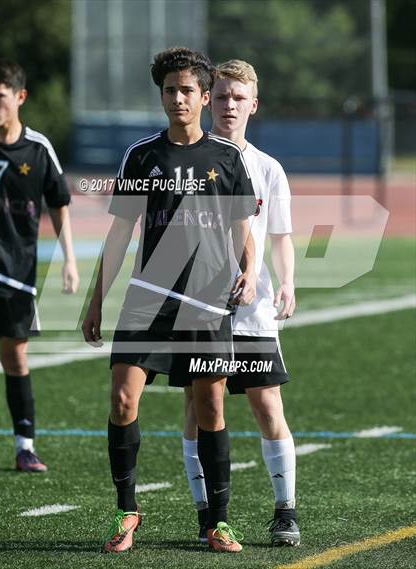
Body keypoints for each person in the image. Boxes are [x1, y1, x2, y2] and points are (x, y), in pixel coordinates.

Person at [82, 47, 257, 554]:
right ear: (160, 96)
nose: (177, 98)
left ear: (205, 97)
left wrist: (249, 269)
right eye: (169, 90)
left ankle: (217, 523)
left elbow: (243, 227)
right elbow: (118, 236)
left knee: (210, 404)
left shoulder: (227, 159)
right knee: (121, 400)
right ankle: (126, 511)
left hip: (204, 302)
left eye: (187, 91)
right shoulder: (142, 156)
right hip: (147, 301)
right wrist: (94, 302)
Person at [181, 60, 300, 547]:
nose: (230, 105)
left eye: (239, 98)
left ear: (254, 104)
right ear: (210, 99)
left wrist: (287, 282)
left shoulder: (268, 168)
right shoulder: (185, 159)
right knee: (196, 405)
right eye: (223, 95)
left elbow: (281, 236)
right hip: (197, 308)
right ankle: (207, 513)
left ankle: (285, 510)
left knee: (267, 402)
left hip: (252, 311)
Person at [0, 59, 79, 472]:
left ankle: (24, 446)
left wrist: (68, 260)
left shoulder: (38, 148)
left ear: (19, 97)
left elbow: (59, 204)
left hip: (17, 273)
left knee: (16, 358)